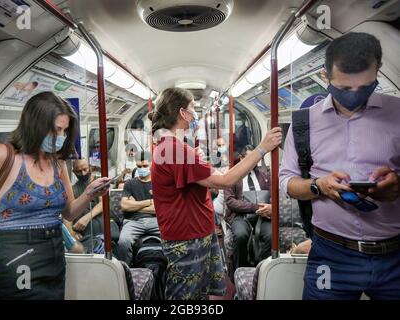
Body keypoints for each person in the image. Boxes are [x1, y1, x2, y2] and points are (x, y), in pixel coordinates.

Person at [0, 91, 110, 300]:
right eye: (56, 130)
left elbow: (69, 213)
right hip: (16, 259)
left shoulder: (57, 163)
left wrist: (89, 194)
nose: (61, 137)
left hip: (54, 258)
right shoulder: (2, 156)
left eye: (65, 131)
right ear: (35, 125)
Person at [280, 32, 400, 300]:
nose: (355, 95)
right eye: (345, 89)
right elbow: (287, 182)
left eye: (365, 87)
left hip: (395, 256)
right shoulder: (303, 124)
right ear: (325, 77)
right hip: (332, 254)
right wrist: (319, 185)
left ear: (377, 71)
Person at [149, 87, 281, 300]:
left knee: (205, 294)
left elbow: (205, 178)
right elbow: (224, 181)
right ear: (182, 113)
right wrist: (261, 149)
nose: (196, 115)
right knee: (185, 298)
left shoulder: (174, 147)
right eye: (193, 108)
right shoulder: (175, 149)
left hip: (197, 232)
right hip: (187, 237)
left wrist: (196, 157)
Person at [224, 145, 271, 272]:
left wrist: (270, 207)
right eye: (250, 158)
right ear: (241, 158)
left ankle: (262, 270)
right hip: (240, 216)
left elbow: (272, 195)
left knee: (271, 234)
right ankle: (240, 270)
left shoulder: (264, 175)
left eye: (256, 159)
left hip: (263, 215)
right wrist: (254, 207)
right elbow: (230, 202)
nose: (253, 162)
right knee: (241, 235)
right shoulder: (232, 175)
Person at [65, 159, 120, 246]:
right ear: (74, 172)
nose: (83, 173)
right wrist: (71, 233)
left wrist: (87, 218)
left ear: (90, 168)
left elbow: (102, 203)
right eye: (78, 171)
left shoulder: (99, 182)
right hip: (87, 233)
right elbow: (68, 215)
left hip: (105, 226)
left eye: (85, 169)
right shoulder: (73, 190)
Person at [117, 151, 160, 265]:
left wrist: (135, 205)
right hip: (134, 222)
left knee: (173, 236)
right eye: (139, 166)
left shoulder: (159, 183)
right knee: (123, 242)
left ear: (152, 164)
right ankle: (126, 271)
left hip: (156, 221)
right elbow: (124, 206)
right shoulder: (130, 184)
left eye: (145, 166)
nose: (142, 169)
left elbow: (160, 208)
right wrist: (149, 201)